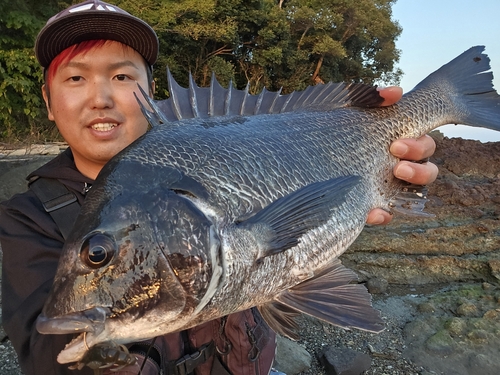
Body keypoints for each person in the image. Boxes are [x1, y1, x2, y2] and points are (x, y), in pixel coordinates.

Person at [0, 1, 439, 374]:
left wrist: (395, 179)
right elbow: (45, 355)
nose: (100, 97)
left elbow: (312, 218)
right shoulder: (23, 220)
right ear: (48, 101)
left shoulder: (191, 148)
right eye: (75, 78)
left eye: (122, 77)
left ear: (149, 91)